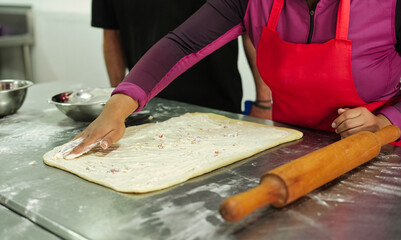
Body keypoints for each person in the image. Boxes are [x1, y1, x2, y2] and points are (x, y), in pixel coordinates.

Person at [69, 0, 401, 157]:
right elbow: (182, 44)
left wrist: (385, 120)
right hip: (293, 148)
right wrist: (117, 105)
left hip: (384, 156)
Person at [91, 0, 272, 116]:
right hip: (147, 105)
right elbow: (111, 35)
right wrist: (119, 103)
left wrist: (264, 102)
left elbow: (252, 26)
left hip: (217, 103)